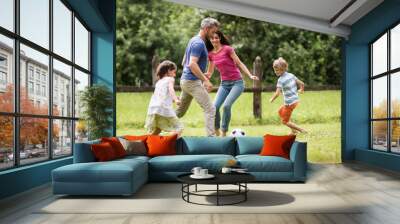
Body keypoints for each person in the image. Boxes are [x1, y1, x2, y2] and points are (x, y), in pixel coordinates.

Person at [205, 31, 259, 137]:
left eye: (216, 38)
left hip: (237, 83)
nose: (214, 40)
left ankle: (224, 133)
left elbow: (239, 63)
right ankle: (216, 132)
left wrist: (250, 75)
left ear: (220, 38)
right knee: (214, 107)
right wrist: (204, 76)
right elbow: (210, 71)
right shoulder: (210, 54)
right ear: (210, 40)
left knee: (226, 106)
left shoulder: (227, 49)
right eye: (212, 38)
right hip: (224, 84)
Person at [175, 17, 219, 136]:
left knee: (179, 112)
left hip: (187, 80)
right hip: (191, 82)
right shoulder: (198, 43)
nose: (214, 34)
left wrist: (199, 73)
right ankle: (211, 139)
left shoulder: (193, 40)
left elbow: (185, 62)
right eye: (212, 31)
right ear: (206, 28)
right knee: (210, 108)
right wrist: (205, 80)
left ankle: (160, 123)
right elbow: (191, 63)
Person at [145, 60, 183, 136]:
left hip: (154, 109)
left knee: (158, 129)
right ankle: (169, 143)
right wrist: (175, 100)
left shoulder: (159, 82)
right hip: (164, 108)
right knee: (179, 127)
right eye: (174, 72)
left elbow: (162, 96)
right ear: (168, 70)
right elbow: (171, 90)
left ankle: (146, 142)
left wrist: (173, 98)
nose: (174, 75)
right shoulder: (170, 79)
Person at [269, 57, 306, 134]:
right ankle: (293, 130)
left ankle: (301, 130)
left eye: (277, 70)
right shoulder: (291, 75)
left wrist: (272, 99)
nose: (275, 72)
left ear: (283, 69)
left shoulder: (280, 80)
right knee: (280, 112)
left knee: (285, 121)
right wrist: (301, 90)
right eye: (274, 70)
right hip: (295, 100)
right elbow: (302, 83)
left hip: (290, 103)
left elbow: (277, 93)